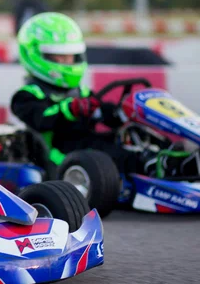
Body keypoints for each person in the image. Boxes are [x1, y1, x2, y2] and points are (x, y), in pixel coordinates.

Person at [11, 12, 125, 168]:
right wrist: (70, 109)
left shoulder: (82, 93)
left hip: (88, 149)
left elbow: (102, 112)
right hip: (59, 159)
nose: (67, 62)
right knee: (118, 158)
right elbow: (42, 119)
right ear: (35, 55)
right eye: (58, 56)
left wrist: (120, 113)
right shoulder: (26, 96)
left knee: (129, 147)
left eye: (70, 56)